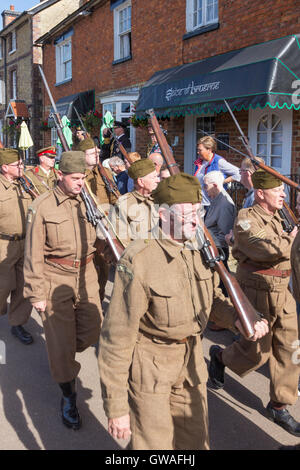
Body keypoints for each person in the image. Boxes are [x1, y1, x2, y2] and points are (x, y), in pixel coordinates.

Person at [98, 173, 268, 450]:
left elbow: (211, 301)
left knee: (195, 442)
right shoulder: (139, 259)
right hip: (151, 366)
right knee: (154, 445)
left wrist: (239, 319)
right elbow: (117, 337)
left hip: (191, 363)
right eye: (186, 211)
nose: (195, 217)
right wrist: (116, 406)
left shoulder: (198, 251)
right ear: (163, 215)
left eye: (198, 209)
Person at [208, 169, 300, 437]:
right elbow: (262, 247)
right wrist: (291, 240)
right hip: (258, 289)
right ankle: (220, 358)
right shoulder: (246, 218)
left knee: (291, 347)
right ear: (260, 193)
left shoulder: (281, 216)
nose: (283, 194)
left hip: (284, 290)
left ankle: (279, 404)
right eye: (277, 190)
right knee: (256, 350)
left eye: (283, 190)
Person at [23, 151, 103, 430]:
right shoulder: (42, 206)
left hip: (88, 274)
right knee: (60, 344)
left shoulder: (87, 201)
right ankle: (68, 395)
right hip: (55, 277)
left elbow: (100, 235)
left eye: (83, 178)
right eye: (76, 178)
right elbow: (32, 254)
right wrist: (36, 293)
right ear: (60, 176)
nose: (81, 183)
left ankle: (65, 355)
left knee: (93, 329)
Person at [78, 137, 118, 302]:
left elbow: (115, 196)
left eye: (97, 152)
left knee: (103, 268)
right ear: (82, 156)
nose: (97, 154)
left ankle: (98, 303)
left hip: (105, 226)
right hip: (85, 227)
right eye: (92, 153)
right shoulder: (78, 174)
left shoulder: (104, 172)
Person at [0, 148, 33, 345]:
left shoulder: (25, 185)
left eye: (22, 164)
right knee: (3, 287)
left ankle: (17, 323)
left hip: (26, 243)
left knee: (23, 287)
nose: (22, 167)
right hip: (3, 244)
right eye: (17, 165)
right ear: (5, 168)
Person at [110, 159, 160, 248]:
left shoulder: (161, 199)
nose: (158, 180)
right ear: (141, 182)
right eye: (153, 177)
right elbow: (122, 242)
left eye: (157, 176)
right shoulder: (124, 205)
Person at [225, 156, 264, 247]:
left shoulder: (255, 197)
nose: (239, 174)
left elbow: (249, 228)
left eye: (240, 171)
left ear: (248, 173)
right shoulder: (252, 194)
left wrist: (233, 238)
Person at [196, 135, 240, 210]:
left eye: (200, 150)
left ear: (209, 150)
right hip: (200, 204)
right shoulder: (200, 162)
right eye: (198, 150)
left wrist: (222, 182)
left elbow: (239, 173)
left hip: (212, 205)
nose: (198, 152)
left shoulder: (219, 162)